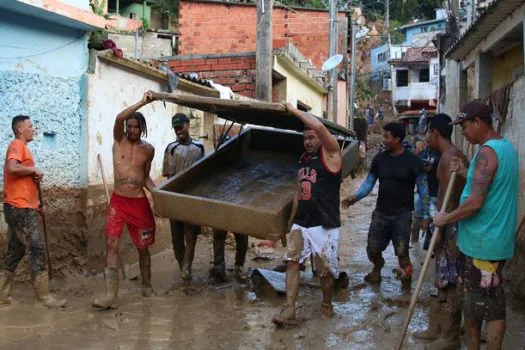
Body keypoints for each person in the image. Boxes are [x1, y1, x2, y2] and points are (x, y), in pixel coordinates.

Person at [433, 101, 518, 350]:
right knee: (476, 305)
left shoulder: (486, 153)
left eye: (465, 126)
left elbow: (475, 203)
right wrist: (466, 171)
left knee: (489, 308)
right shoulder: (504, 148)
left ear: (478, 123)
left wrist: (444, 218)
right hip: (490, 241)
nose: (463, 132)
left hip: (484, 244)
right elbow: (488, 186)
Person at [272, 103, 342, 326]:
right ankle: (290, 308)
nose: (308, 141)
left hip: (325, 224)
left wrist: (293, 110)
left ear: (321, 137)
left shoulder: (332, 155)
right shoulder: (302, 160)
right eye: (305, 138)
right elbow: (298, 192)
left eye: (312, 137)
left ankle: (326, 305)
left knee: (325, 271)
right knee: (292, 262)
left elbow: (320, 127)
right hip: (302, 223)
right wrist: (291, 221)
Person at [342, 122, 429, 289]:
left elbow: (424, 190)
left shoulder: (413, 161)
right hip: (381, 212)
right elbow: (369, 182)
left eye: (387, 137)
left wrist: (425, 216)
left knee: (402, 252)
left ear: (397, 138)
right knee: (372, 249)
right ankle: (377, 267)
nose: (384, 140)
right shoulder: (380, 159)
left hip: (403, 215)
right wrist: (355, 197)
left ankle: (406, 287)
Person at [92, 92, 157, 309]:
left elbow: (145, 177)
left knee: (143, 248)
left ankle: (147, 287)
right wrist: (142, 102)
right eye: (129, 126)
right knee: (111, 243)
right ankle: (111, 296)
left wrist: (159, 195)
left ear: (142, 128)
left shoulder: (148, 150)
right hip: (118, 202)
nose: (131, 130)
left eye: (135, 127)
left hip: (139, 203)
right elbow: (119, 119)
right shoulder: (118, 140)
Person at [413, 113, 467, 349]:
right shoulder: (445, 156)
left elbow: (451, 198)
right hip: (444, 222)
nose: (426, 137)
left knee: (452, 282)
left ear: (434, 132)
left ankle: (451, 336)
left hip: (451, 226)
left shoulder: (451, 157)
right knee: (442, 280)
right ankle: (437, 327)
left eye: (428, 132)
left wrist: (441, 231)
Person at [0, 115, 67, 308]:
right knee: (37, 248)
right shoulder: (17, 145)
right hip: (19, 207)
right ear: (20, 129)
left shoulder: (24, 149)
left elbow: (20, 181)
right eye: (30, 126)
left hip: (20, 205)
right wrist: (33, 170)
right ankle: (44, 297)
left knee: (16, 250)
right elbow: (12, 168)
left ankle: (2, 294)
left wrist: (36, 203)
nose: (33, 129)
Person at [162, 113, 204, 282]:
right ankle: (183, 268)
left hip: (193, 198)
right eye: (176, 128)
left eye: (181, 126)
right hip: (174, 198)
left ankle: (186, 269)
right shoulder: (171, 148)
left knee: (191, 236)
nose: (179, 130)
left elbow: (203, 173)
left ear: (188, 125)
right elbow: (168, 176)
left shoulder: (199, 148)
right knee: (177, 238)